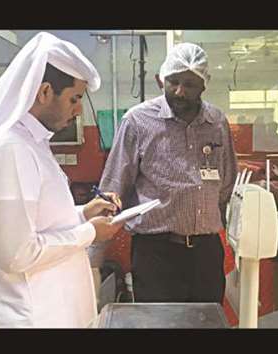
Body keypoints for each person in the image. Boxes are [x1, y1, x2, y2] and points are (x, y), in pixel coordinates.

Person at [0, 32, 123, 328]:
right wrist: (89, 233)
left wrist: (83, 213)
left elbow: (36, 221)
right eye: (74, 98)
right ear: (45, 92)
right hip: (28, 316)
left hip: (48, 310)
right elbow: (17, 253)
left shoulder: (32, 143)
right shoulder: (10, 150)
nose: (79, 111)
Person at [99, 43, 238, 303]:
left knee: (206, 321)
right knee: (158, 322)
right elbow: (114, 185)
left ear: (204, 85)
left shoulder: (217, 122)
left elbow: (227, 184)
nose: (180, 91)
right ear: (159, 80)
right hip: (156, 252)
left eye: (190, 84)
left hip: (206, 251)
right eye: (173, 82)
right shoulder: (138, 121)